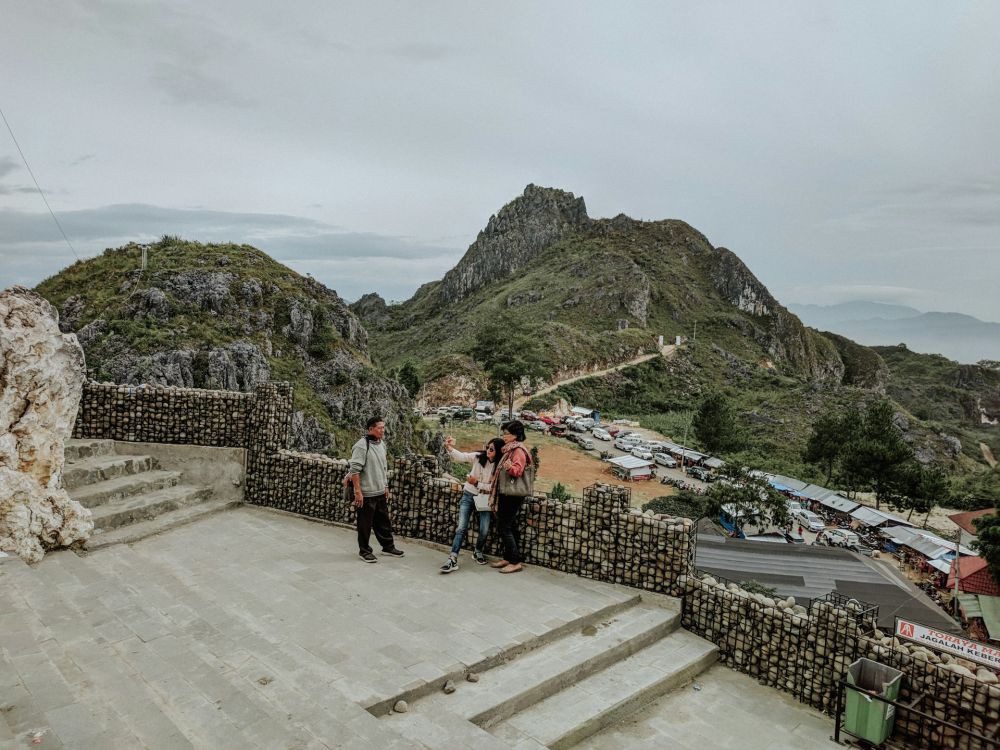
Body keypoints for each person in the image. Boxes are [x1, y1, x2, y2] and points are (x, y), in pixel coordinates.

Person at [439, 436, 504, 573]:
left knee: (484, 529)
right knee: (461, 527)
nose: (488, 450)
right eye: (487, 447)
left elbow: (494, 487)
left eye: (491, 449)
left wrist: (477, 483)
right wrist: (449, 448)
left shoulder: (499, 467)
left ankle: (477, 551)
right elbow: (462, 457)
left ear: (498, 451)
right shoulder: (478, 457)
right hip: (469, 495)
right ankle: (452, 558)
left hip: (485, 498)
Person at [347, 416, 404, 563]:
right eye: (380, 428)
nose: (383, 430)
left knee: (383, 521)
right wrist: (358, 492)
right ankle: (364, 551)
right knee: (365, 524)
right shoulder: (361, 446)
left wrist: (385, 486)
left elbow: (383, 467)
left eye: (383, 427)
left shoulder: (381, 444)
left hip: (379, 491)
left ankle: (388, 547)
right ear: (370, 429)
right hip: (366, 493)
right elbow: (355, 470)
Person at [490, 420, 531, 574]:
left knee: (504, 526)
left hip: (512, 495)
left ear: (514, 435)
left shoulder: (518, 450)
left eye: (506, 433)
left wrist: (509, 467)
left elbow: (518, 472)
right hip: (507, 493)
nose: (504, 436)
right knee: (508, 526)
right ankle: (508, 557)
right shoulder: (510, 449)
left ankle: (515, 561)